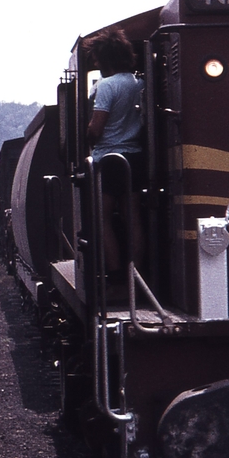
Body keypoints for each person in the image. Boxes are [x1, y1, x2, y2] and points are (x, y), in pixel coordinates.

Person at [83, 27, 145, 289]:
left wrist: (86, 135)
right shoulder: (138, 83)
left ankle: (116, 271)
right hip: (134, 156)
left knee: (103, 217)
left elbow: (96, 127)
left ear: (105, 58)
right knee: (133, 216)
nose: (95, 64)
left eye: (97, 58)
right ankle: (138, 273)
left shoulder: (106, 87)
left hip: (109, 159)